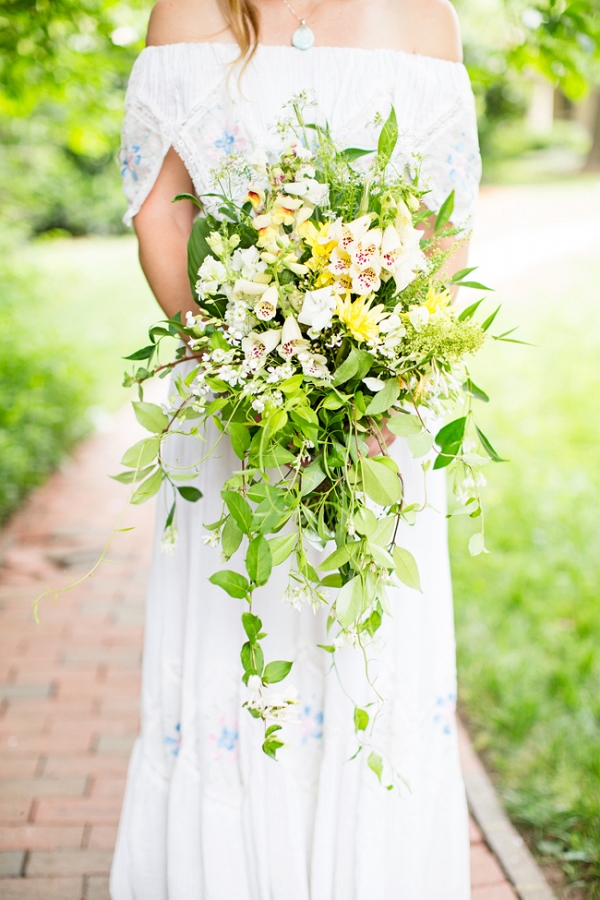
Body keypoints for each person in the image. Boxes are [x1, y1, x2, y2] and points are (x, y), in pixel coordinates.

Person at [111, 0, 482, 897]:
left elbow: (443, 227)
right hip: (233, 402)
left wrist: (386, 379)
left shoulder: (425, 21)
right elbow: (159, 213)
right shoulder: (187, 15)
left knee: (366, 643)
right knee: (243, 639)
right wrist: (233, 363)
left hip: (383, 421)